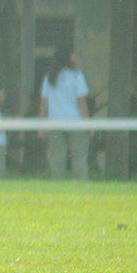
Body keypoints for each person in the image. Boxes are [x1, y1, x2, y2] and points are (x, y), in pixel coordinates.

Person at [39, 45, 89, 180]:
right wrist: (88, 123)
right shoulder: (77, 76)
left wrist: (41, 125)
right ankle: (81, 186)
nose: (76, 57)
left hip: (55, 123)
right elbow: (81, 102)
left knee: (56, 158)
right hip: (75, 123)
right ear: (68, 57)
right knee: (79, 158)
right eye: (74, 55)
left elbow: (43, 103)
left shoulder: (49, 78)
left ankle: (57, 186)